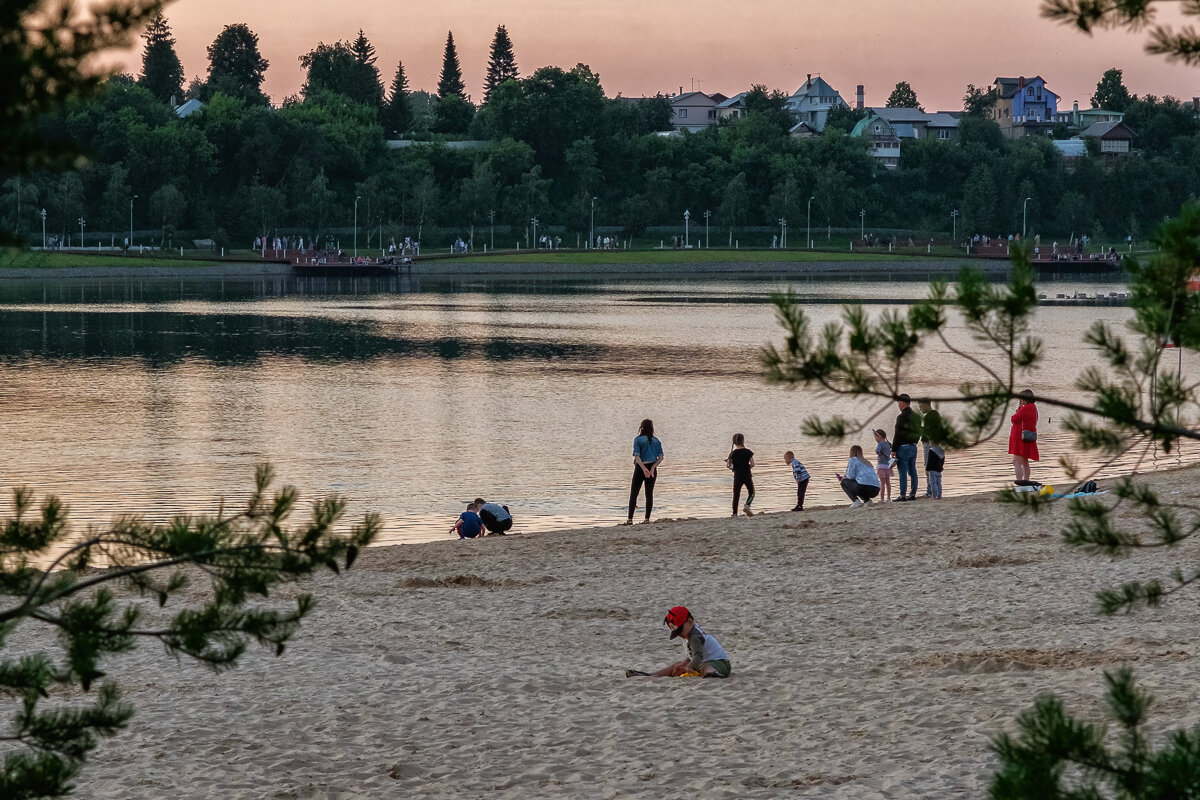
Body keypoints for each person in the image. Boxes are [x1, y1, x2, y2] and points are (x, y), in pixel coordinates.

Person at [626, 606, 731, 679]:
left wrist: (687, 668)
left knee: (706, 668)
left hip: (720, 663)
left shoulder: (694, 636)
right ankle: (652, 675)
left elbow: (698, 656)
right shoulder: (688, 634)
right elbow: (691, 655)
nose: (679, 634)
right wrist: (684, 664)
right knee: (676, 665)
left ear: (690, 622)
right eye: (676, 633)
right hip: (702, 663)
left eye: (680, 631)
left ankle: (712, 674)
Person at [626, 419, 663, 525]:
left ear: (641, 427)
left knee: (634, 493)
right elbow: (661, 457)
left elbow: (637, 456)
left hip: (640, 468)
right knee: (649, 494)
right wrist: (652, 468)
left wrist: (643, 468)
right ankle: (647, 519)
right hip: (652, 467)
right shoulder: (656, 441)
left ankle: (630, 519)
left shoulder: (638, 440)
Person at [892, 393, 922, 501]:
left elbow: (898, 434)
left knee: (902, 472)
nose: (898, 405)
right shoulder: (917, 416)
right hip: (913, 446)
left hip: (903, 447)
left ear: (903, 403)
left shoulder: (901, 417)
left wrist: (893, 449)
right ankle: (913, 493)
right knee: (913, 470)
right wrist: (915, 442)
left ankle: (903, 495)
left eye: (899, 403)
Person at [918, 399, 947, 499]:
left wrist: (931, 444)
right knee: (936, 467)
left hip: (929, 443)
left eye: (921, 406)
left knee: (928, 466)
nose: (920, 409)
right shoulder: (936, 414)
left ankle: (930, 491)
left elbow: (930, 432)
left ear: (927, 405)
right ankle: (937, 492)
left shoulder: (929, 416)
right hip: (937, 444)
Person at [1009, 389, 1039, 482]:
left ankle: (1020, 481)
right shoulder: (1033, 407)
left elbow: (1014, 419)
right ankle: (1026, 480)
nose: (1020, 400)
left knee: (1017, 461)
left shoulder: (1026, 408)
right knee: (1024, 461)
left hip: (1019, 437)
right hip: (1026, 436)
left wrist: (1018, 409)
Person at [725, 434, 755, 517]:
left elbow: (728, 465)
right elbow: (753, 464)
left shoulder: (732, 453)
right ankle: (747, 505)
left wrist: (734, 468)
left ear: (734, 443)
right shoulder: (748, 452)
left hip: (737, 476)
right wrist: (747, 468)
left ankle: (734, 513)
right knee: (752, 492)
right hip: (747, 475)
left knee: (736, 494)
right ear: (743, 441)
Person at [873, 429, 893, 502]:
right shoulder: (887, 443)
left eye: (875, 437)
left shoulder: (880, 444)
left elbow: (877, 451)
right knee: (888, 483)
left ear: (879, 437)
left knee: (882, 483)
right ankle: (888, 498)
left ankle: (882, 499)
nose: (875, 439)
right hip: (888, 465)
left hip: (881, 465)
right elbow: (891, 449)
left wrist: (880, 455)